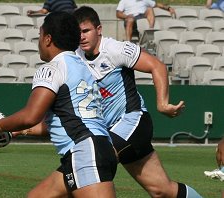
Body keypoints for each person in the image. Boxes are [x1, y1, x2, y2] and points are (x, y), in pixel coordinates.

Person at [0, 11, 118, 197]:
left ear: (48, 39)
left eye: (39, 36)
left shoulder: (52, 68)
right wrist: (18, 130)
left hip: (85, 153)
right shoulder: (83, 67)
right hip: (97, 148)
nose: (39, 42)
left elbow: (30, 116)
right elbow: (65, 120)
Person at [73, 6, 202, 198]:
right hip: (112, 133)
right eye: (78, 33)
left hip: (133, 122)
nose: (82, 37)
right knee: (162, 190)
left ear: (99, 29)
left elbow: (156, 66)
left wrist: (162, 103)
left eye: (86, 31)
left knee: (93, 163)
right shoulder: (75, 58)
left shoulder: (115, 49)